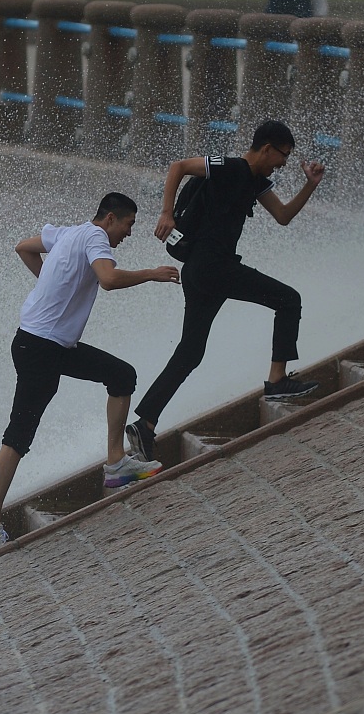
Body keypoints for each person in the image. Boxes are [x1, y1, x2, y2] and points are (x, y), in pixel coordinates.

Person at [0, 193, 180, 553]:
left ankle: (116, 463)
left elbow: (23, 247)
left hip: (46, 345)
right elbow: (107, 279)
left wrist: (53, 284)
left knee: (121, 376)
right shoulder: (95, 236)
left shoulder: (68, 233)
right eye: (128, 225)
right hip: (41, 349)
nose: (128, 233)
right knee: (18, 436)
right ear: (110, 219)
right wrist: (151, 274)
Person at [124, 121, 326, 460]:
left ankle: (144, 424)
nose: (283, 164)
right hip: (212, 267)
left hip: (203, 271)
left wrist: (310, 185)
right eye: (283, 156)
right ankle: (277, 381)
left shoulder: (256, 182)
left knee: (191, 352)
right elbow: (178, 167)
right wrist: (166, 214)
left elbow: (283, 215)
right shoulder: (229, 166)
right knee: (288, 300)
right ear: (267, 148)